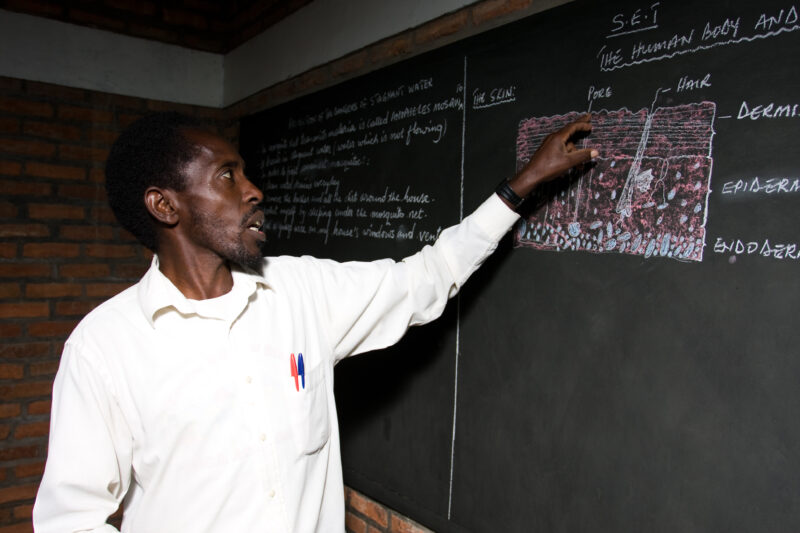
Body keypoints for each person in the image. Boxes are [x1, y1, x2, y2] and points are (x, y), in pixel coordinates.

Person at [32, 111, 597, 532]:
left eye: (245, 172)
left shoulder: (299, 291)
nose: (254, 190)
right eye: (227, 176)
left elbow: (427, 276)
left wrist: (521, 185)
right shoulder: (105, 348)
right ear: (165, 206)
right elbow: (70, 521)